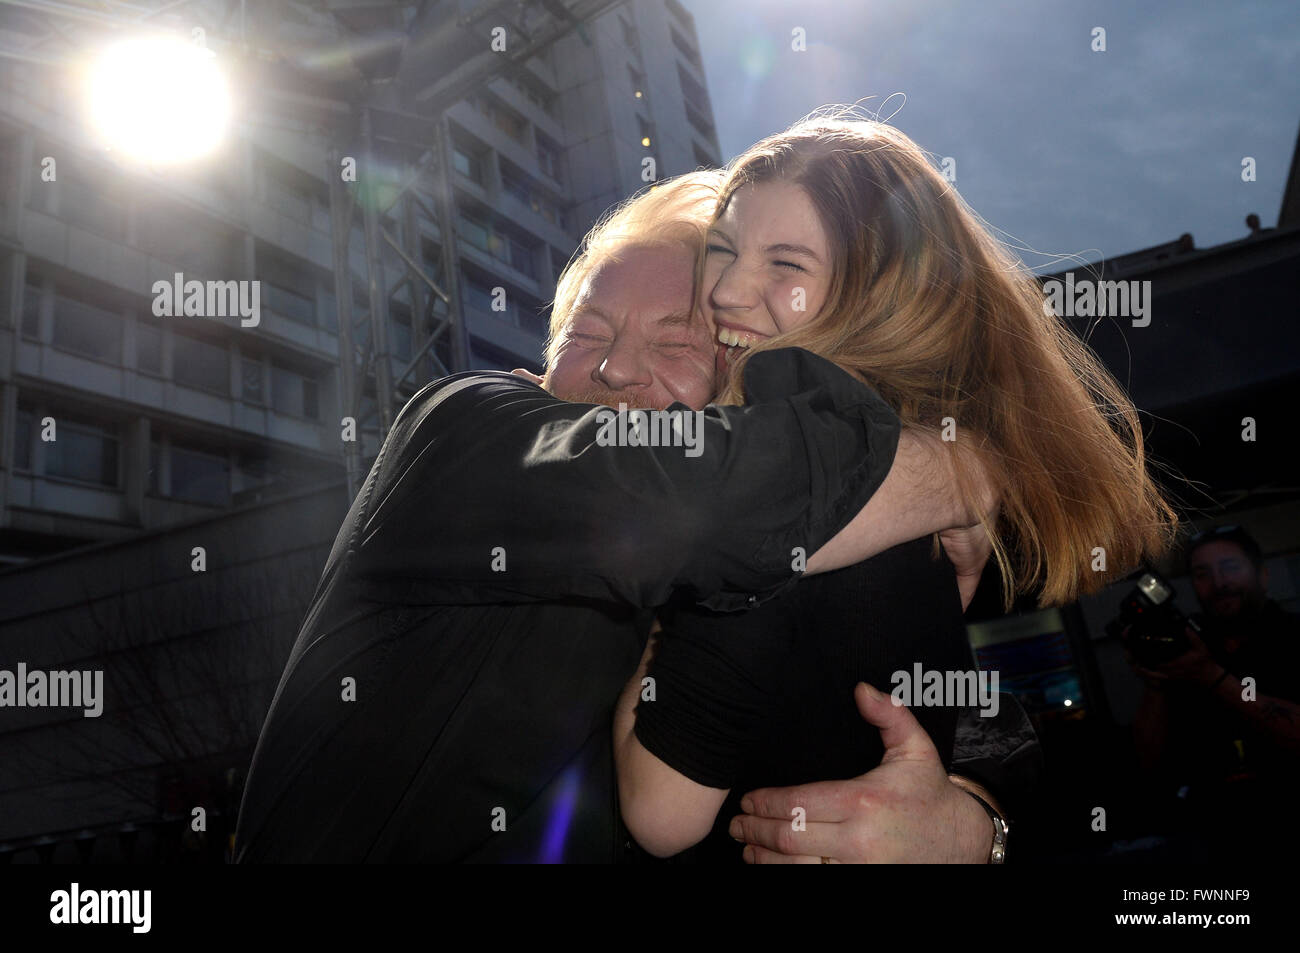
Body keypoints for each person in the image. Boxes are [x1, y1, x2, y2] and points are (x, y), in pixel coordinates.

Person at [233, 170, 1000, 863]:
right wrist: (964, 468)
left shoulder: (757, 582)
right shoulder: (460, 428)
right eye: (589, 333)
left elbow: (989, 736)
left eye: (676, 340)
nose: (616, 369)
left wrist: (973, 828)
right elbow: (705, 497)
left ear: (736, 388)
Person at [613, 114, 1181, 862]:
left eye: (786, 265)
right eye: (722, 251)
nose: (724, 289)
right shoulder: (914, 495)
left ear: (877, 298)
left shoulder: (790, 495)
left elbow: (661, 815)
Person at [1129, 524, 1300, 860]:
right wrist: (1155, 682)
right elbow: (1147, 763)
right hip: (1216, 839)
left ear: (1263, 575)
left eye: (1230, 567)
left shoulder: (1295, 636)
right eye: (1202, 573)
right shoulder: (1186, 646)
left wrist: (1210, 676)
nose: (1219, 583)